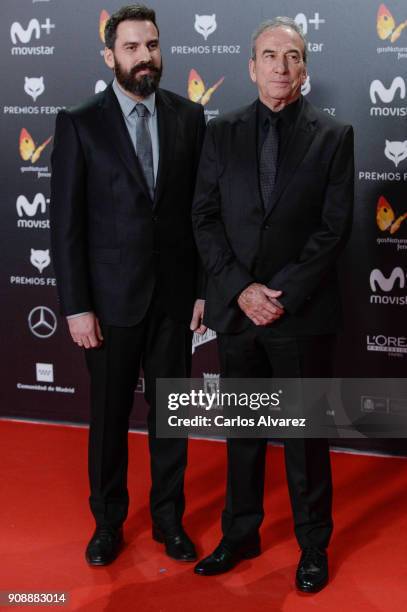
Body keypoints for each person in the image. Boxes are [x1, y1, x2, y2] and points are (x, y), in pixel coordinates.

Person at [192, 17, 354, 592]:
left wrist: (278, 293)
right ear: (251, 65)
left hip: (300, 313)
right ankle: (240, 534)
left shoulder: (335, 136)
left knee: (306, 439)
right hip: (238, 311)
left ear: (304, 67)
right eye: (269, 56)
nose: (280, 67)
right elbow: (204, 218)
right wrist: (241, 289)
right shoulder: (222, 132)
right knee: (244, 433)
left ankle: (313, 545)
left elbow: (333, 230)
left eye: (292, 57)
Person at [50, 4, 206, 566]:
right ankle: (107, 523)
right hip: (110, 305)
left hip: (173, 301)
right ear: (110, 55)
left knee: (172, 420)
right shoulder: (79, 121)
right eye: (134, 47)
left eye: (153, 46)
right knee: (110, 422)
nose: (146, 56)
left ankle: (169, 519)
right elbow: (64, 224)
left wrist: (202, 288)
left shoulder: (190, 117)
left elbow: (198, 214)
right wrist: (76, 307)